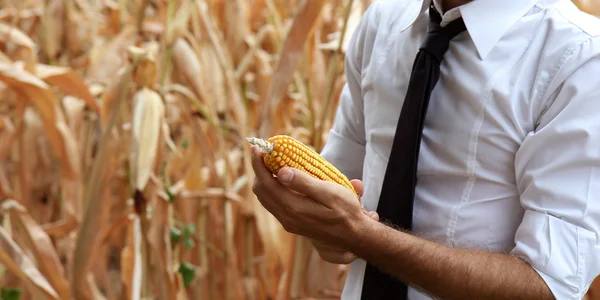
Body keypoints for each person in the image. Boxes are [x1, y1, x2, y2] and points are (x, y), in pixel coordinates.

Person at [250, 0, 600, 299]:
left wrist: (363, 237)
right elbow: (341, 210)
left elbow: (548, 286)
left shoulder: (580, 60)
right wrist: (320, 226)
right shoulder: (383, 21)